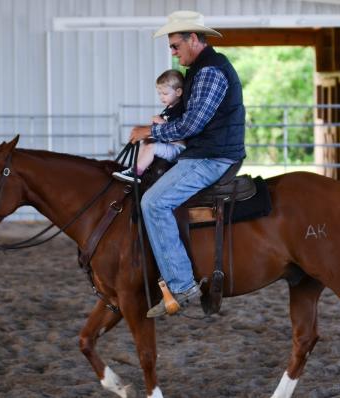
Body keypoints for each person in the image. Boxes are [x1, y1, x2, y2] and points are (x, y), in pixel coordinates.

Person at [128, 10, 246, 317]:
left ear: (193, 39)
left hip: (212, 156)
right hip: (204, 151)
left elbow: (192, 124)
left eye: (175, 45)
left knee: (154, 203)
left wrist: (150, 131)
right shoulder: (198, 71)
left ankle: (182, 285)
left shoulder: (209, 71)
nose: (172, 52)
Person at [113, 70, 186, 183]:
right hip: (167, 144)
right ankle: (135, 168)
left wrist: (161, 121)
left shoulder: (180, 109)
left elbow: (177, 129)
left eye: (165, 94)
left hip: (177, 148)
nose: (162, 97)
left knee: (151, 148)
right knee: (146, 142)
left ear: (178, 92)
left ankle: (136, 173)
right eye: (159, 94)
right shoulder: (169, 107)